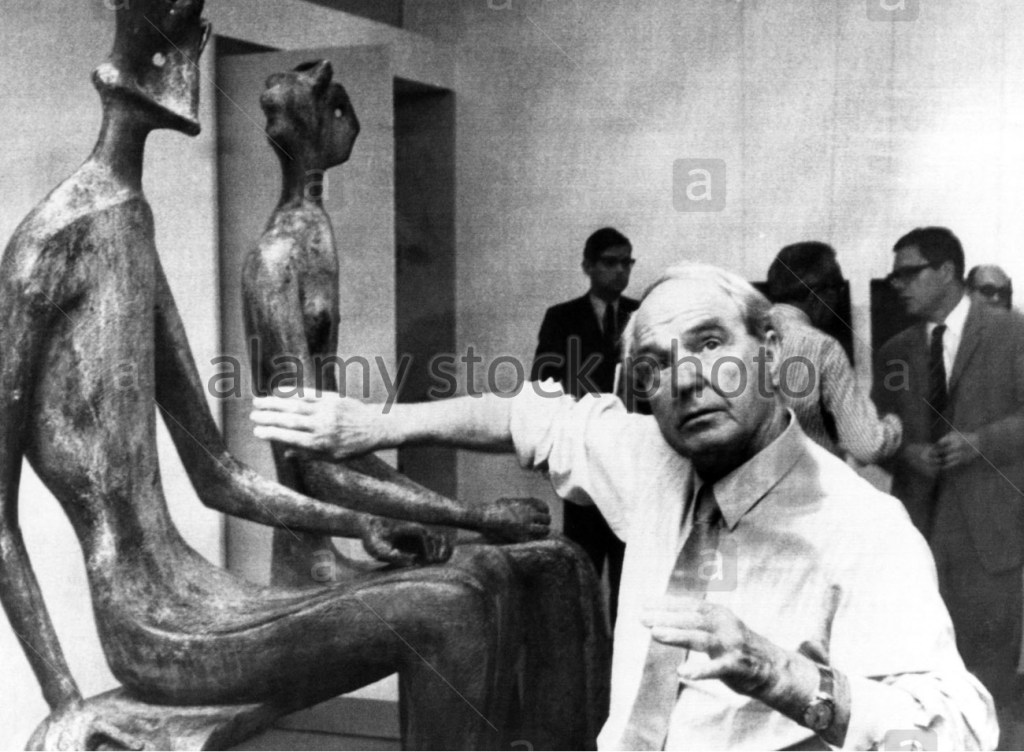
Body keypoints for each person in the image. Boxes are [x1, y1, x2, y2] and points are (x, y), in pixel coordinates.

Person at [253, 261, 996, 750]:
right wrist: (373, 426)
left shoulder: (861, 527)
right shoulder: (651, 458)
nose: (686, 380)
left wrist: (783, 676)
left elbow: (964, 729)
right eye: (656, 366)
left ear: (771, 346)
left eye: (710, 345)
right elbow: (522, 416)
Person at [873, 227, 1024, 745]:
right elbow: (880, 429)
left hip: (990, 533)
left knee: (990, 673)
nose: (897, 284)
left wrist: (981, 441)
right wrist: (905, 452)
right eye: (893, 275)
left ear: (945, 271)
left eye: (907, 272)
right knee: (922, 672)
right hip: (918, 533)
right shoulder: (894, 350)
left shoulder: (1012, 333)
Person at [531, 227, 639, 626]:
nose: (620, 271)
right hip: (583, 461)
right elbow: (542, 383)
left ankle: (620, 675)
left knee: (631, 575)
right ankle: (587, 669)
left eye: (627, 262)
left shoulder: (642, 314)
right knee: (584, 571)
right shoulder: (562, 318)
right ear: (588, 266)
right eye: (610, 262)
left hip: (634, 463)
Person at [766, 241, 901, 463]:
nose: (838, 298)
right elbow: (867, 446)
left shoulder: (741, 336)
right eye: (838, 287)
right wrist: (896, 423)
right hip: (806, 486)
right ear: (818, 293)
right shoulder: (823, 347)